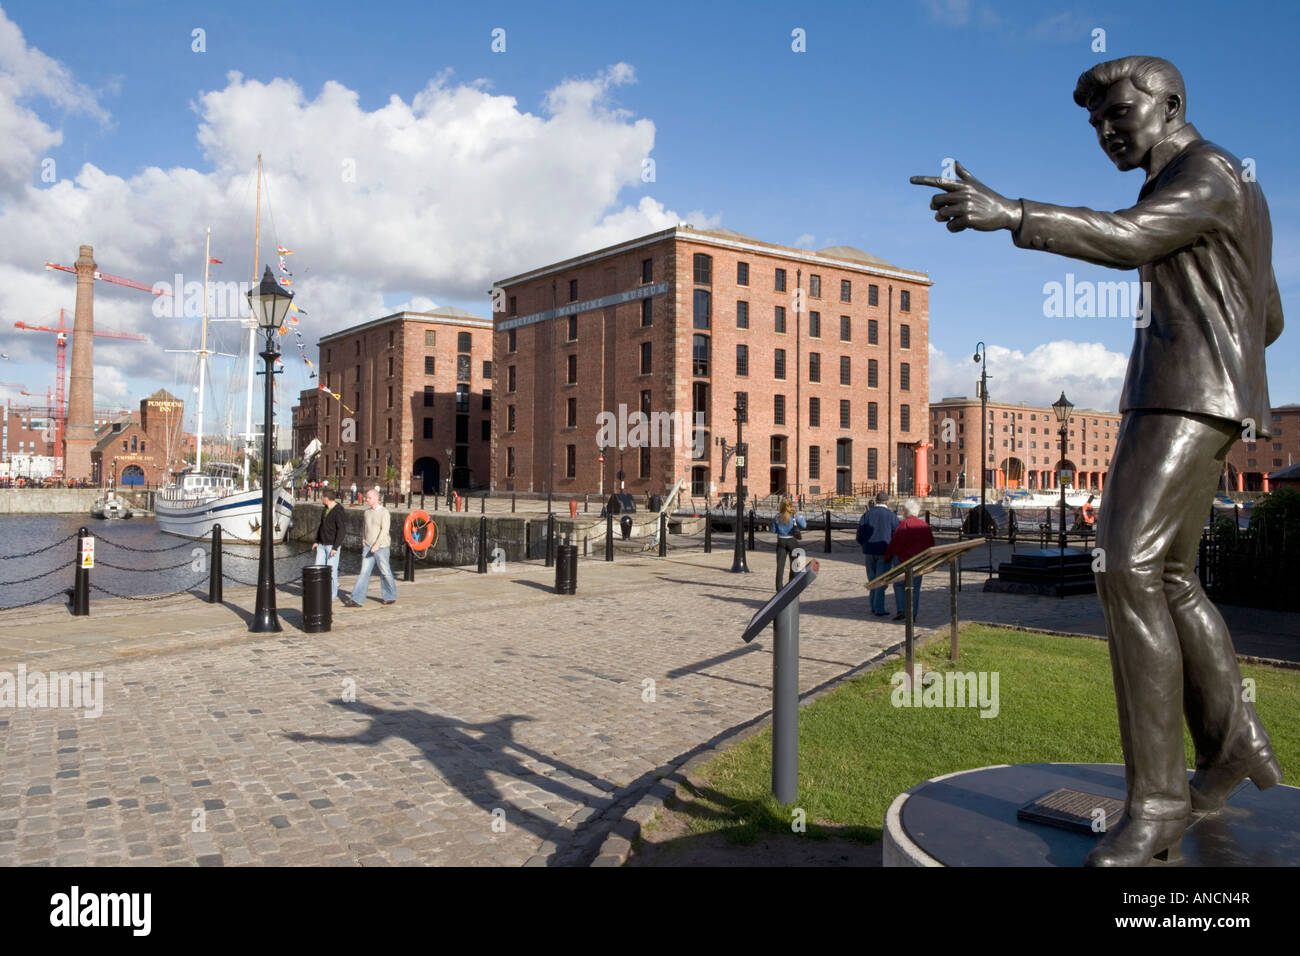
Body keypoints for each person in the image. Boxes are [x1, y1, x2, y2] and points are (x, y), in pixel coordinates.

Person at [910, 56, 1283, 866]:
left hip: (1182, 397)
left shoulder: (1205, 173)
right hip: (1206, 393)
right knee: (1171, 576)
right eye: (1095, 122)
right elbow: (1274, 315)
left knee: (1123, 567)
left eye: (1119, 112)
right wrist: (1222, 334)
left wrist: (1010, 213)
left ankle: (1155, 802)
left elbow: (1127, 238)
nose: (1107, 130)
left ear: (1171, 105)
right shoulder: (1230, 187)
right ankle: (1231, 743)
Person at [342, 486, 396, 608]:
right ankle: (357, 599)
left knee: (385, 572)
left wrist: (377, 545)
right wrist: (364, 543)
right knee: (363, 573)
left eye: (369, 498)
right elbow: (365, 529)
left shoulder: (384, 512)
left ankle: (390, 596)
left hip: (381, 547)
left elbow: (385, 530)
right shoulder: (366, 512)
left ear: (376, 498)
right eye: (367, 498)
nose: (367, 500)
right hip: (367, 547)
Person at [883, 499, 936, 621]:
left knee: (900, 585)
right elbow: (930, 543)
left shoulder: (904, 525)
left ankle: (902, 610)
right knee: (915, 588)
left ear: (906, 511)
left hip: (903, 560)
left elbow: (896, 543)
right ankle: (912, 612)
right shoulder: (924, 526)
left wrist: (888, 556)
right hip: (919, 560)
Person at [856, 491, 900, 616]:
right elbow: (897, 535)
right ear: (887, 501)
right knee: (881, 581)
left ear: (876, 501)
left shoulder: (867, 514)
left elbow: (860, 534)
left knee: (872, 579)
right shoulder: (891, 516)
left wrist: (864, 544)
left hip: (869, 551)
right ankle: (879, 608)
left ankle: (873, 605)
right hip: (884, 551)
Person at [313, 488, 345, 603]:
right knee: (318, 568)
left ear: (326, 498)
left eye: (322, 497)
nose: (321, 498)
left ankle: (331, 595)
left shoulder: (338, 511)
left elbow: (341, 530)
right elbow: (321, 526)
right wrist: (316, 540)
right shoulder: (325, 509)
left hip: (332, 546)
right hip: (322, 544)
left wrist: (335, 547)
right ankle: (319, 592)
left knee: (331, 570)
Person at [770, 498, 807, 591]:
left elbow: (773, 530)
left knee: (780, 566)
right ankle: (791, 584)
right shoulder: (793, 515)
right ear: (790, 506)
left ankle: (779, 588)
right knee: (794, 564)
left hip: (781, 541)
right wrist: (801, 517)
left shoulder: (778, 517)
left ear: (781, 506)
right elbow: (804, 525)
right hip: (791, 541)